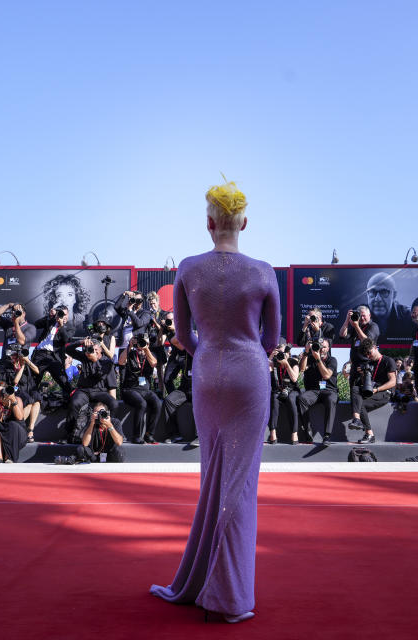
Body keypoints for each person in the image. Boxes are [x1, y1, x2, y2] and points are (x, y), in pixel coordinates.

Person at [151, 179, 280, 623]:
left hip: (207, 373)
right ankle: (230, 596)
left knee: (213, 478)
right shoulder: (264, 272)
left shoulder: (187, 268)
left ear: (209, 223)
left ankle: (206, 579)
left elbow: (182, 336)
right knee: (241, 485)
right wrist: (244, 351)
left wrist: (207, 351)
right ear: (244, 222)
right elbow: (274, 339)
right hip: (249, 374)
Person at [63, 339, 117, 443]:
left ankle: (108, 431)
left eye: (96, 350)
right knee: (74, 403)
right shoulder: (85, 356)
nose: (94, 352)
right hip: (84, 390)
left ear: (101, 350)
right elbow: (68, 349)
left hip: (100, 391)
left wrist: (95, 360)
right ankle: (69, 434)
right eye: (92, 349)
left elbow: (101, 375)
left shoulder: (107, 362)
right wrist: (81, 342)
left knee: (114, 404)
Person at [347, 338, 398, 444]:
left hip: (384, 393)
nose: (368, 356)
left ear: (375, 348)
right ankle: (356, 419)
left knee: (361, 404)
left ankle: (370, 434)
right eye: (366, 355)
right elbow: (366, 382)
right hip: (371, 390)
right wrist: (362, 374)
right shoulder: (368, 363)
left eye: (369, 353)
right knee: (355, 388)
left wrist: (377, 389)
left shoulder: (388, 361)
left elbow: (393, 382)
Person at [118, 335, 161, 443]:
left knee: (157, 403)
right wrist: (130, 345)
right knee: (141, 404)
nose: (141, 346)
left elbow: (154, 363)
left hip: (145, 390)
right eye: (140, 343)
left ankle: (149, 434)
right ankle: (136, 436)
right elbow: (121, 362)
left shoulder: (151, 354)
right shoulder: (130, 353)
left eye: (144, 343)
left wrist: (146, 349)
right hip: (130, 389)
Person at [296, 338, 338, 444]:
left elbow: (327, 375)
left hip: (329, 391)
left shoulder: (332, 360)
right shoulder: (310, 358)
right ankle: (308, 430)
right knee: (302, 398)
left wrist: (318, 359)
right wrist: (306, 352)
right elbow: (301, 369)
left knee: (331, 400)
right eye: (320, 346)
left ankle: (327, 435)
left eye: (324, 347)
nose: (322, 349)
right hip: (314, 391)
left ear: (328, 348)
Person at [0, 302, 36, 383]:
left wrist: (16, 323)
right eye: (14, 312)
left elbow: (22, 341)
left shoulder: (30, 327)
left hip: (19, 365)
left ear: (24, 314)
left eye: (19, 311)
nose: (16, 314)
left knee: (16, 392)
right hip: (5, 363)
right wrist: (8, 305)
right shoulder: (9, 324)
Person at [267, 343, 300, 444]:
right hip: (278, 391)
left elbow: (294, 378)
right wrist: (270, 357)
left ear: (288, 353)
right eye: (279, 352)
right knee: (274, 398)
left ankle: (294, 433)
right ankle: (273, 434)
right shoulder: (274, 363)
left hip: (292, 390)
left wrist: (286, 364)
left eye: (283, 353)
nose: (281, 355)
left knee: (291, 399)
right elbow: (265, 373)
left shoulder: (293, 362)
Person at [365, 271, 413, 340]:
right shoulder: (357, 317)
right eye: (373, 292)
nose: (378, 299)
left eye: (384, 292)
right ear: (367, 294)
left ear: (394, 295)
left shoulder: (409, 317)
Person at [0, 381, 28, 463]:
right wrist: (2, 406)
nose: (0, 395)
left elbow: (20, 418)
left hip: (18, 432)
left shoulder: (17, 399)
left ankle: (9, 457)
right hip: (4, 429)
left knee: (12, 424)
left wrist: (13, 401)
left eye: (1, 392)